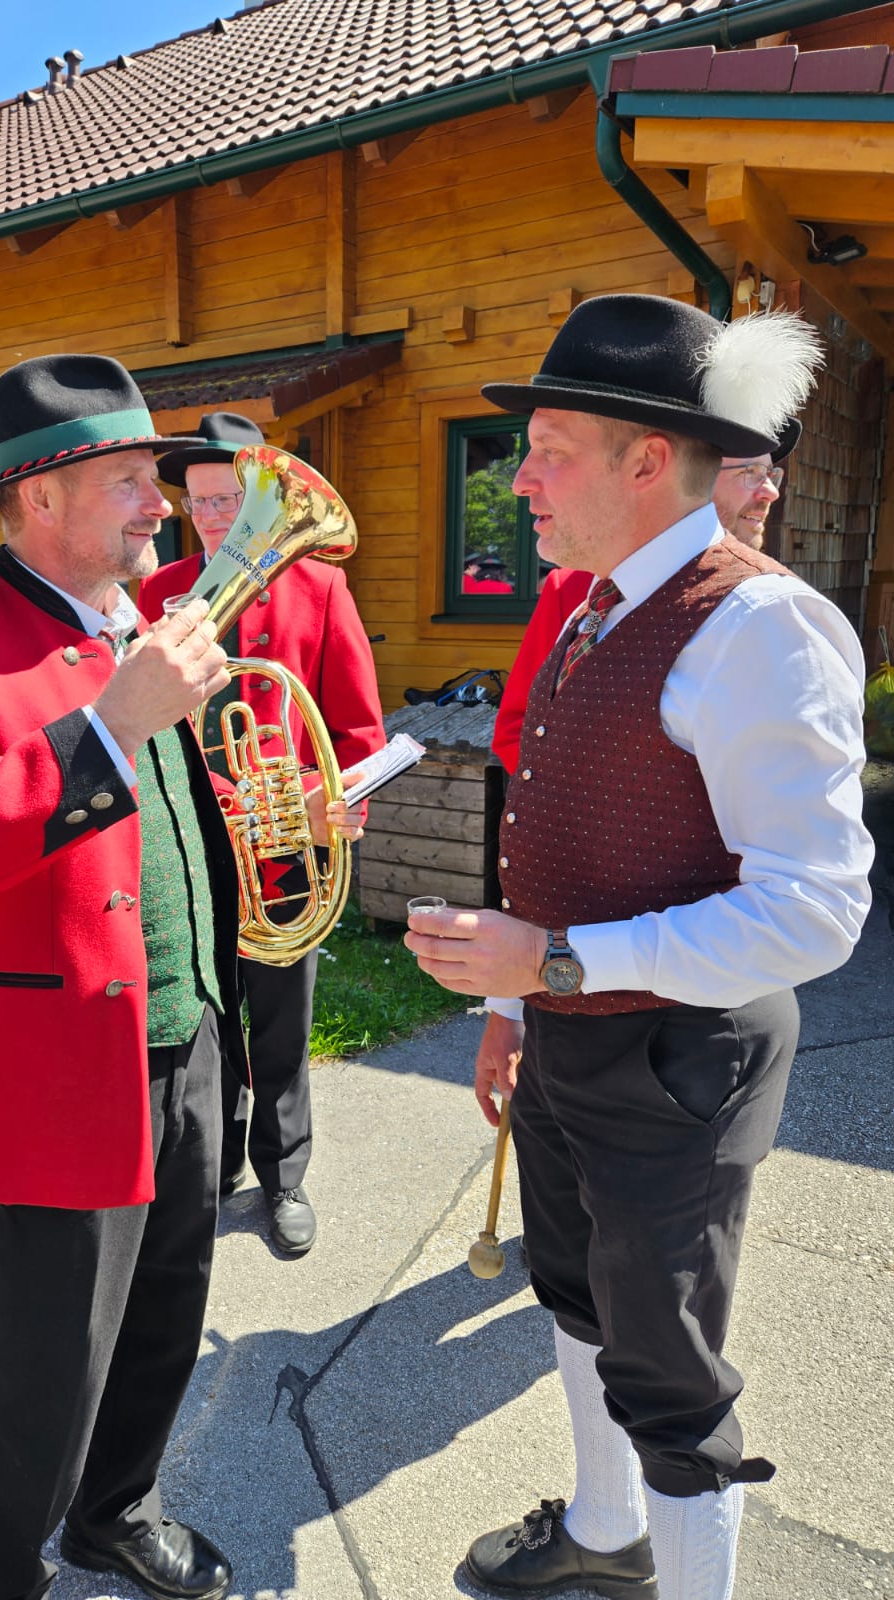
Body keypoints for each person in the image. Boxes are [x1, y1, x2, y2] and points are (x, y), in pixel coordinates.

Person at [405, 297, 873, 1600]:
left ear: (649, 461)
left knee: (668, 1371)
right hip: (568, 1036)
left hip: (683, 1056)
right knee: (574, 1294)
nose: (521, 480)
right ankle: (609, 1535)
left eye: (550, 451)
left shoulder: (762, 627)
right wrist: (517, 1009)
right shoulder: (593, 603)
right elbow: (566, 827)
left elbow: (818, 910)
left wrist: (550, 964)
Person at [0, 357, 286, 1600]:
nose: (163, 503)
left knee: (167, 1315)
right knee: (46, 1366)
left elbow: (164, 822)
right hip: (60, 1066)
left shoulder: (137, 619)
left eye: (156, 478)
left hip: (191, 1029)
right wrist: (110, 725)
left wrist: (276, 814)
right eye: (132, 480)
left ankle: (114, 1513)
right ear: (39, 496)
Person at [138, 412, 384, 1256]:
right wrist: (216, 797)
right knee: (206, 1012)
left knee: (280, 1018)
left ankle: (284, 1172)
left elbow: (358, 733)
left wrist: (318, 800)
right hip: (190, 843)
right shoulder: (156, 594)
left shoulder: (320, 588)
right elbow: (144, 730)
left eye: (228, 501)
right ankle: (210, 1163)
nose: (212, 518)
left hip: (282, 842)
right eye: (199, 502)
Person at [492, 421, 800, 771]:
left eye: (770, 474)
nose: (769, 492)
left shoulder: (773, 610)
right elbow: (517, 725)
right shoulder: (574, 589)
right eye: (750, 472)